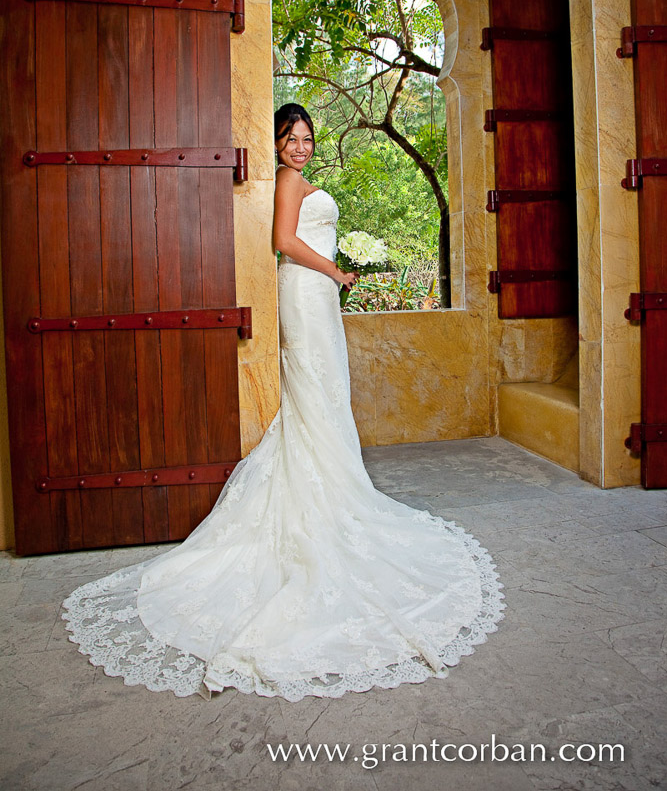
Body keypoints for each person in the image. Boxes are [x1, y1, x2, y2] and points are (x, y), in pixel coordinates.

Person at [62, 102, 505, 701]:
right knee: (316, 395)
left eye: (306, 138)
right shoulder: (290, 182)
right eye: (290, 138)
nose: (301, 146)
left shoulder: (299, 176)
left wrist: (330, 281)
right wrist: (338, 273)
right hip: (306, 291)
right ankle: (324, 502)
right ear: (276, 144)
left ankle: (333, 489)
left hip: (315, 297)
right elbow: (282, 241)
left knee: (323, 397)